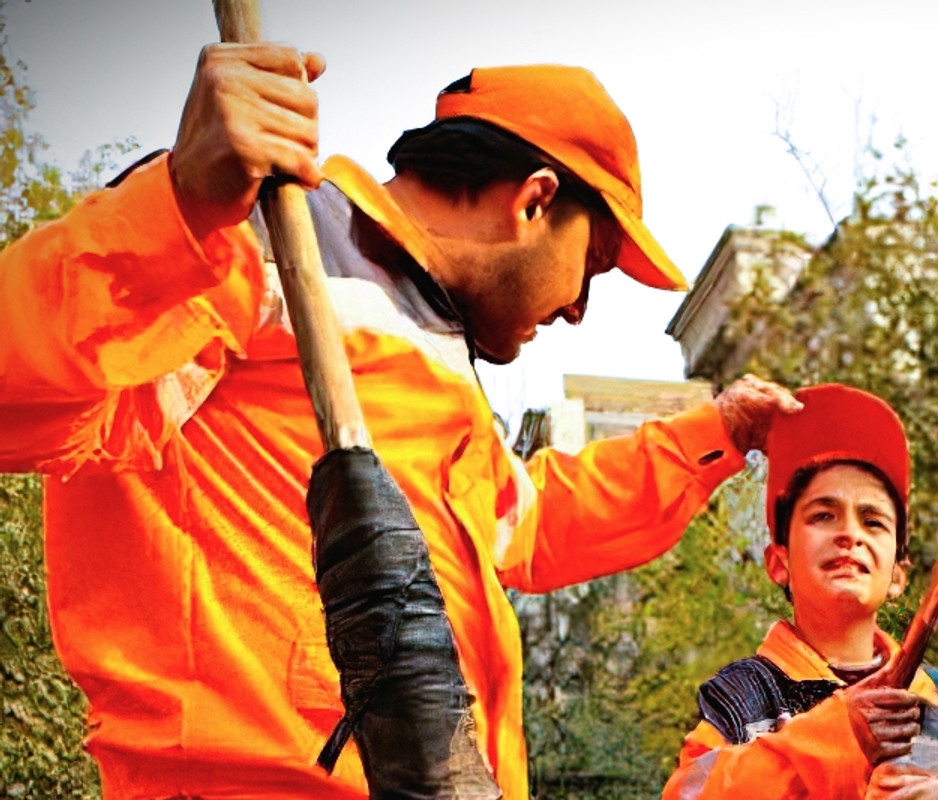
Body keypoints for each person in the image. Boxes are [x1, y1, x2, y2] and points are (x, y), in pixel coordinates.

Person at [0, 44, 798, 798]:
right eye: (590, 266)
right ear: (535, 199)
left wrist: (718, 431)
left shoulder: (438, 355)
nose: (578, 310)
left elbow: (531, 522)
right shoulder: (252, 234)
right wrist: (179, 208)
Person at [660, 384, 938, 800]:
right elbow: (688, 794)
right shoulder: (743, 698)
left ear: (897, 576)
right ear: (779, 562)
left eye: (873, 521)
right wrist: (840, 736)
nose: (849, 534)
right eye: (823, 515)